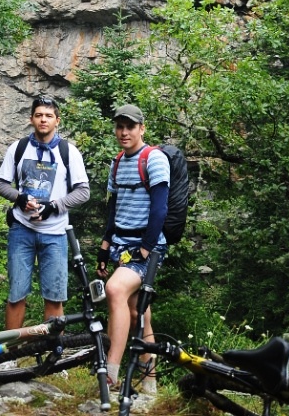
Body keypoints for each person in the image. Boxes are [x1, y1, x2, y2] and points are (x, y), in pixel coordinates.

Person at [0, 93, 90, 328]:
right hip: (22, 229)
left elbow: (83, 191)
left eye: (48, 115)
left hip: (56, 233)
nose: (43, 120)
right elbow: (1, 183)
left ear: (57, 120)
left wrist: (54, 206)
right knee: (16, 294)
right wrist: (19, 198)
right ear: (31, 119)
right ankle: (12, 349)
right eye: (38, 115)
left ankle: (53, 348)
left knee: (55, 297)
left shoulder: (69, 152)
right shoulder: (18, 148)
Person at [96, 104, 170, 393]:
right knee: (139, 313)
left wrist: (145, 249)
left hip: (147, 247)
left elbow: (160, 209)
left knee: (115, 289)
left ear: (142, 128)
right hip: (121, 246)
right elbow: (114, 209)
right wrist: (105, 247)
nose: (124, 132)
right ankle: (150, 383)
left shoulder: (154, 159)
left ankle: (110, 372)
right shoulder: (117, 163)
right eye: (120, 127)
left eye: (130, 127)